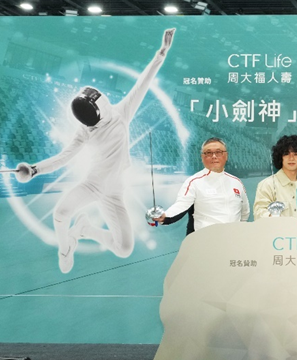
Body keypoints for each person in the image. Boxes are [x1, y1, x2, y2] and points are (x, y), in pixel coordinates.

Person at [14, 28, 176, 273]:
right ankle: (65, 248)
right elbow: (64, 157)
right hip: (92, 185)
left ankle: (85, 230)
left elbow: (143, 83)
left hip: (114, 192)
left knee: (124, 249)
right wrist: (35, 169)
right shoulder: (85, 131)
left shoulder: (122, 113)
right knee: (60, 212)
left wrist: (161, 54)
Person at [152, 137, 249, 234]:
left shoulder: (237, 182)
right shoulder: (194, 182)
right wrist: (165, 216)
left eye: (218, 152)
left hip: (232, 240)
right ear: (202, 157)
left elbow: (244, 212)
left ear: (226, 155)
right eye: (208, 153)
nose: (214, 156)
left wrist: (239, 232)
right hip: (203, 241)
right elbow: (182, 205)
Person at [254, 135, 297, 220]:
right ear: (280, 157)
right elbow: (259, 215)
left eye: (296, 154)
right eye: (286, 154)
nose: (291, 158)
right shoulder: (267, 185)